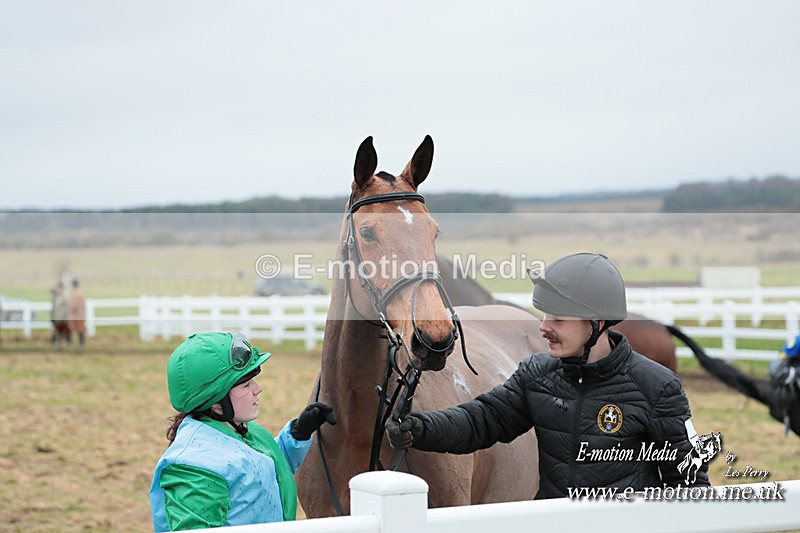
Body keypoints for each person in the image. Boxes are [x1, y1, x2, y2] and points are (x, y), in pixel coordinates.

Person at [385, 252, 709, 498]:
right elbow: (481, 420)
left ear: (597, 323)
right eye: (543, 314)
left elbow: (691, 481)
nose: (543, 326)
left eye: (558, 318)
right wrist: (421, 428)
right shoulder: (536, 374)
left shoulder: (658, 388)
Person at [150, 331, 336, 531]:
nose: (258, 389)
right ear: (216, 403)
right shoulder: (194, 468)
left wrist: (297, 434)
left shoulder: (243, 431)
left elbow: (261, 472)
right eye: (246, 385)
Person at [68, 279, 86, 345]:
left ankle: (72, 343)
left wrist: (70, 310)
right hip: (80, 314)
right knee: (80, 329)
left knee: (74, 329)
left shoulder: (75, 294)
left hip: (76, 315)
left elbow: (73, 306)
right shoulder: (81, 293)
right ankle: (81, 343)